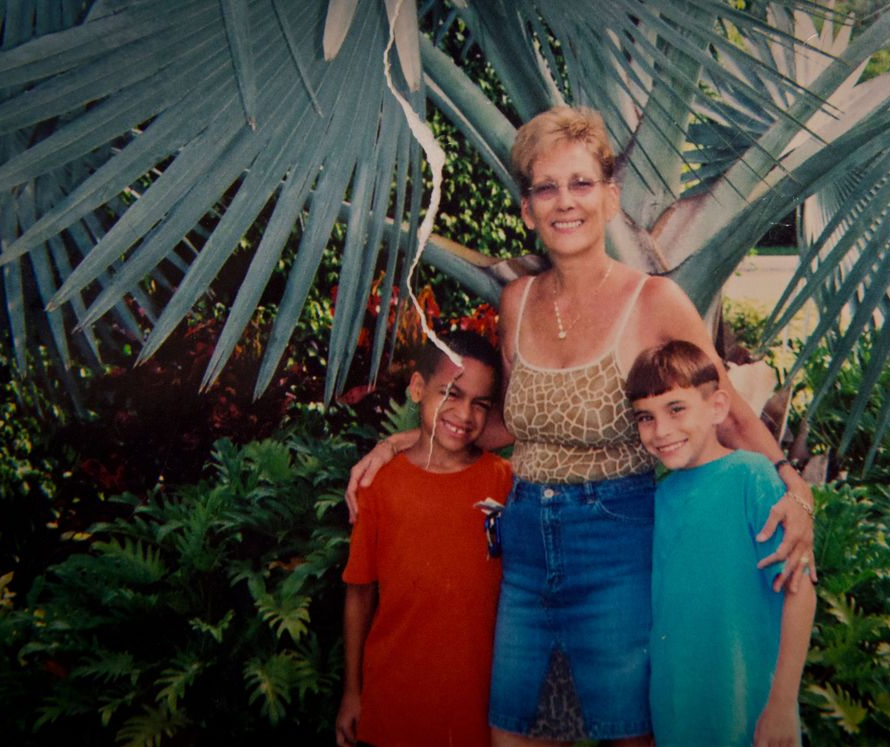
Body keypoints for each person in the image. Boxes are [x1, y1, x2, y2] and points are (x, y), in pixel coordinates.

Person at [346, 105, 816, 745]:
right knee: (515, 733)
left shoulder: (654, 301)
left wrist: (793, 485)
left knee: (628, 733)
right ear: (528, 209)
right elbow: (510, 424)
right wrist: (411, 439)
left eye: (581, 183)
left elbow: (726, 410)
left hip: (616, 543)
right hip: (524, 548)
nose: (564, 202)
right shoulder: (517, 303)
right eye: (546, 187)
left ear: (610, 198)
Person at [625, 340, 816, 747]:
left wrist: (782, 703)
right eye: (645, 417)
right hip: (679, 710)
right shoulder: (659, 497)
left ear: (717, 407)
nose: (662, 431)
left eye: (677, 409)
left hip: (750, 711)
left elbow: (800, 593)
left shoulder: (752, 476)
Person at [335, 331, 513, 747]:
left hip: (477, 707)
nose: (464, 414)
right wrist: (351, 692)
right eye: (451, 393)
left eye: (480, 404)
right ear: (417, 388)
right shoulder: (378, 485)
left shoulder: (503, 481)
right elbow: (359, 592)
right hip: (393, 703)